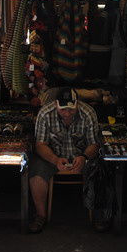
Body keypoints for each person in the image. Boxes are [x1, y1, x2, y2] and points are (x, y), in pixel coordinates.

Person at [29, 87, 102, 233]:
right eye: (63, 110)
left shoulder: (88, 113)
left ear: (77, 104)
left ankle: (99, 215)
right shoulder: (45, 113)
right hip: (53, 156)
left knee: (100, 167)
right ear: (56, 104)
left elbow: (94, 143)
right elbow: (40, 145)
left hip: (81, 156)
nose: (67, 114)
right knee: (37, 169)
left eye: (71, 109)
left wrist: (84, 157)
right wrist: (55, 159)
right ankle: (40, 215)